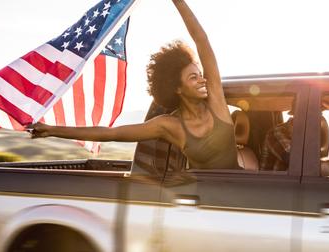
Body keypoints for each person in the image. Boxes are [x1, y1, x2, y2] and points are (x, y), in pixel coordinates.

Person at [28, 0, 238, 170]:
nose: (203, 80)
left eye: (201, 75)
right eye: (194, 77)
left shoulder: (216, 100)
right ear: (177, 88)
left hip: (241, 192)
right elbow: (112, 134)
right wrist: (53, 130)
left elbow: (201, 40)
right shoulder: (169, 126)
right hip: (206, 203)